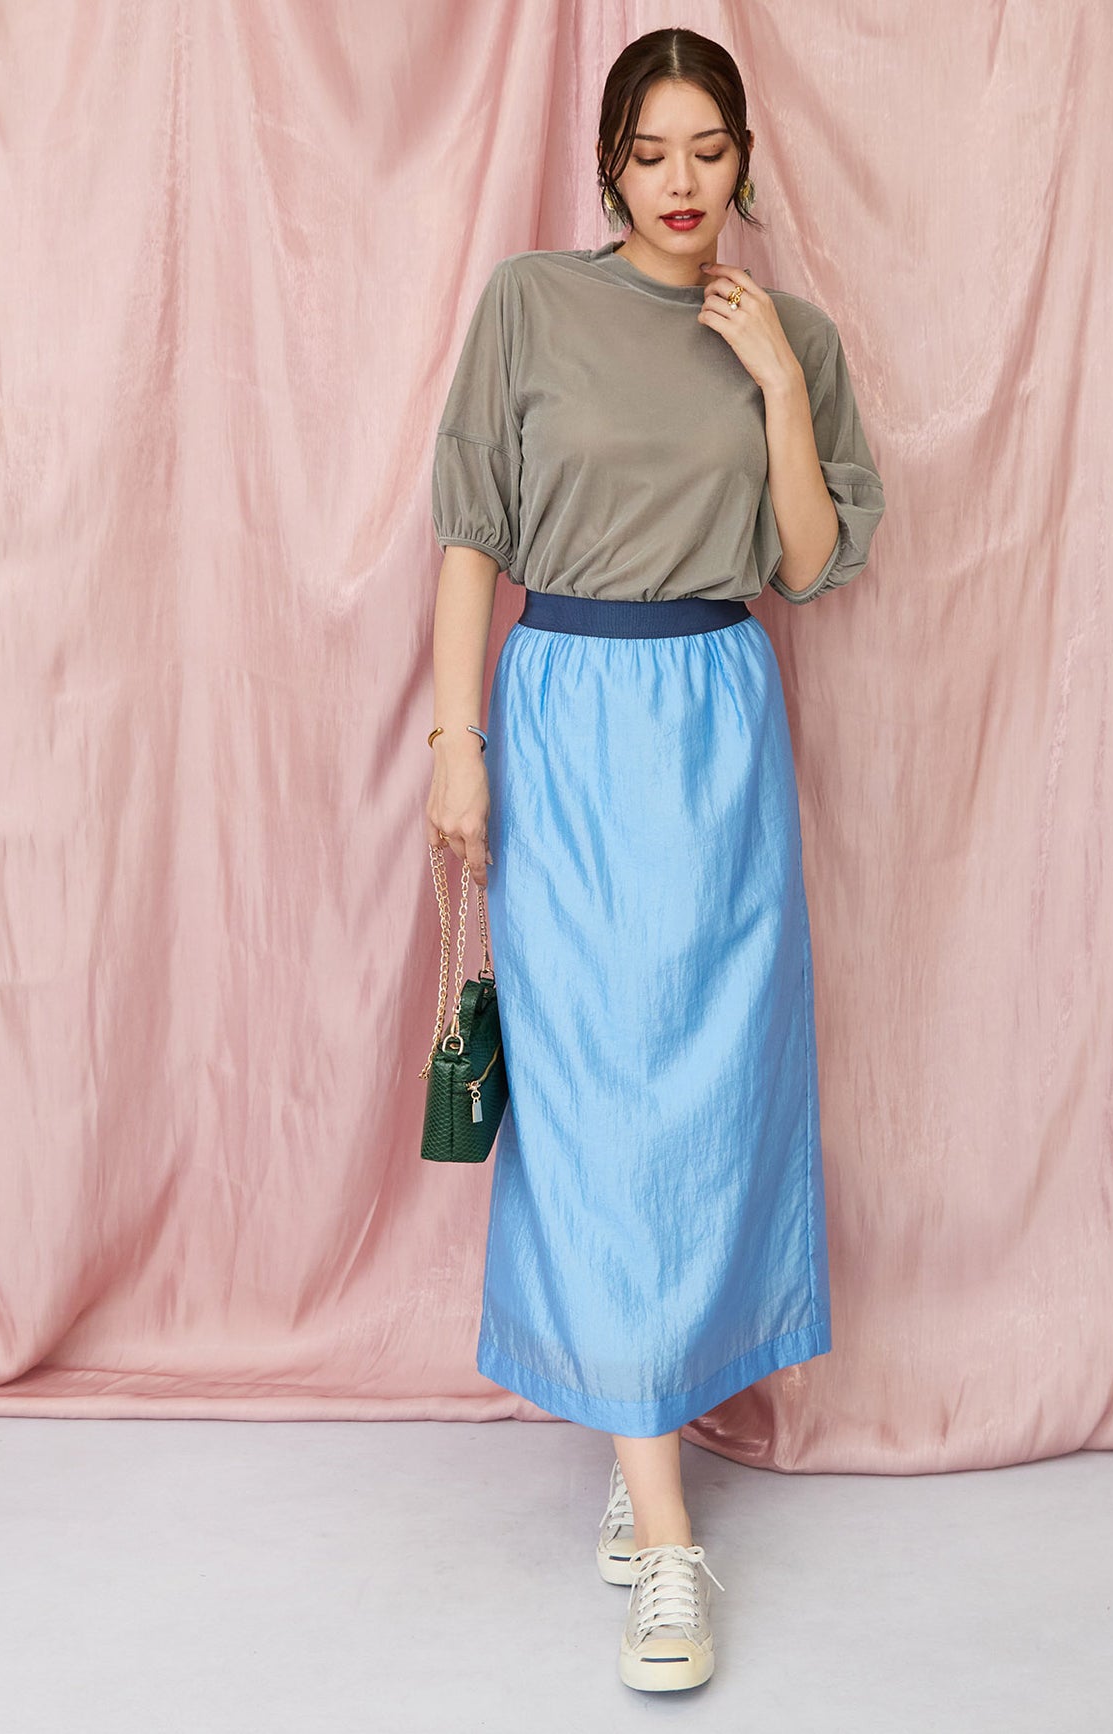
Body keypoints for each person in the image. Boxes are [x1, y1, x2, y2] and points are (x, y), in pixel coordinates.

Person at [424, 26, 885, 1693]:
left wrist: (776, 386)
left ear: (744, 158)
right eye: (649, 152)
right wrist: (456, 738)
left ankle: (642, 1437)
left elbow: (809, 561)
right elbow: (470, 529)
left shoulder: (791, 334)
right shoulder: (529, 304)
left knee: (706, 1100)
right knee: (599, 1090)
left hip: (719, 719)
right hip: (564, 711)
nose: (680, 182)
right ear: (608, 164)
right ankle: (666, 1530)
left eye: (707, 149)